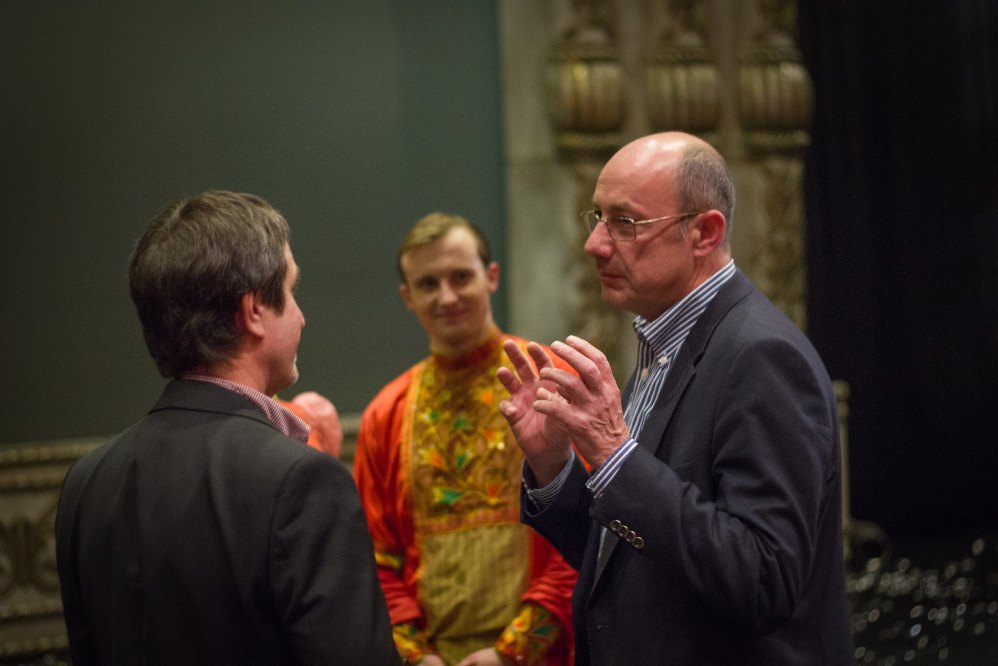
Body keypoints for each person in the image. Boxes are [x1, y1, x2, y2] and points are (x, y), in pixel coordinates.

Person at [497, 132, 854, 664]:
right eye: (597, 217)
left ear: (705, 233)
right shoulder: (666, 344)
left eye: (625, 222)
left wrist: (615, 456)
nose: (595, 244)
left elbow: (765, 580)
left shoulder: (762, 357)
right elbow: (626, 558)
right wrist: (555, 467)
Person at [55, 190, 400, 665]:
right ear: (253, 311)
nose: (302, 316)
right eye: (292, 292)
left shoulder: (86, 481)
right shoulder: (302, 481)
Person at [353, 212, 577, 665]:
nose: (447, 297)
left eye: (460, 277)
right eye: (428, 284)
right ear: (408, 297)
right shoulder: (385, 415)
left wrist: (512, 651)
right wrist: (417, 655)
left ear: (491, 277)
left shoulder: (551, 379)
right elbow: (375, 559)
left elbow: (586, 529)